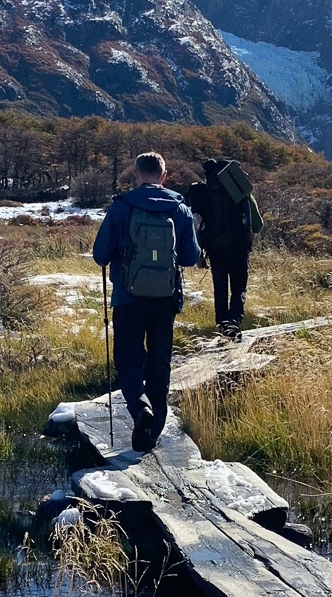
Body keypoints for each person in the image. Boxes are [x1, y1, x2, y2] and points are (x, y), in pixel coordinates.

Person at [92, 150, 202, 452]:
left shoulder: (122, 206)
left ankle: (139, 408)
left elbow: (100, 254)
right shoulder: (179, 207)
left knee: (128, 359)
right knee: (159, 362)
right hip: (165, 300)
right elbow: (192, 257)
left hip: (128, 297)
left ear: (137, 174)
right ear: (163, 176)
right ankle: (151, 434)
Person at [189, 155, 258, 335]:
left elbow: (197, 223)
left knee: (220, 287)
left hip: (214, 247)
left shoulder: (204, 192)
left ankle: (221, 324)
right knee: (238, 287)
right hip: (239, 248)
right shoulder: (243, 193)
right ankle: (233, 322)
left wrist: (200, 253)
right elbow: (258, 225)